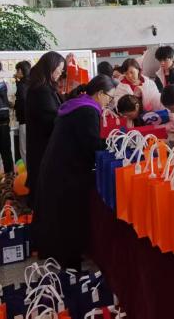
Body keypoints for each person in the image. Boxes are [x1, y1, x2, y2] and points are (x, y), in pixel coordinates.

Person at [32, 76, 114, 268]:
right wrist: (113, 144)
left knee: (61, 215)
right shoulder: (88, 111)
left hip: (58, 167)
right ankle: (70, 263)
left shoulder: (77, 104)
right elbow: (91, 145)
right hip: (67, 171)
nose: (109, 103)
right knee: (69, 216)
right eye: (109, 98)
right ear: (100, 94)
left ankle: (64, 256)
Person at [25, 51, 65, 207]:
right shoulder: (41, 90)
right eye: (59, 69)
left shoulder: (42, 87)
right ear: (50, 67)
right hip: (43, 146)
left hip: (41, 144)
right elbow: (51, 118)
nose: (60, 73)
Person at [14, 61, 31, 162]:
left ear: (21, 70)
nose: (16, 72)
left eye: (17, 70)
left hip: (24, 120)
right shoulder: (32, 82)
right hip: (32, 120)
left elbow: (22, 101)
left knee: (24, 149)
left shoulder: (22, 85)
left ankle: (28, 169)